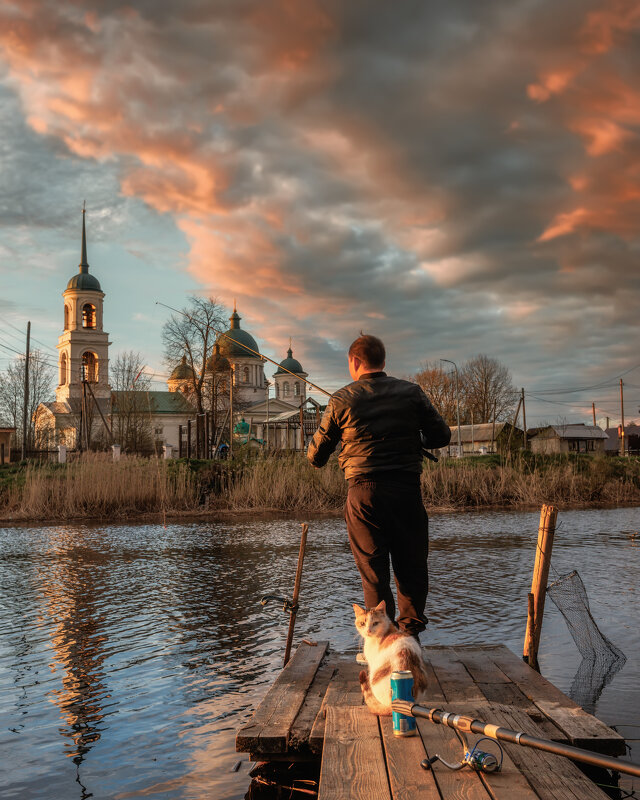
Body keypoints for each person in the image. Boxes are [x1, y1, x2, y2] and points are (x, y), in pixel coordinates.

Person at [307, 334, 451, 638]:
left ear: (355, 362)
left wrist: (343, 435)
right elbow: (441, 436)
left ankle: (382, 644)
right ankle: (409, 639)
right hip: (406, 491)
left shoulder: (341, 399)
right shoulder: (411, 393)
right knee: (411, 567)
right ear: (382, 361)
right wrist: (415, 439)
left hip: (363, 494)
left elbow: (316, 457)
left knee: (373, 573)